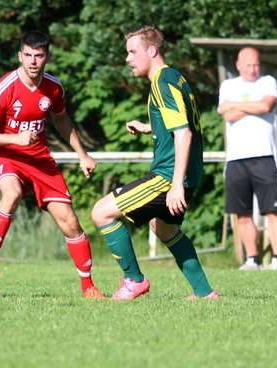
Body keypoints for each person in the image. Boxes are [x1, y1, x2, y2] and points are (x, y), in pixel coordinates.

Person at [0, 30, 104, 299]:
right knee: (12, 193)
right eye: (28, 55)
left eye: (38, 56)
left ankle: (88, 287)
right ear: (20, 56)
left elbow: (62, 120)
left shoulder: (53, 88)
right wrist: (15, 139)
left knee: (70, 222)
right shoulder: (5, 87)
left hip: (39, 157)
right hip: (5, 154)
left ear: (47, 57)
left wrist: (82, 154)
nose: (33, 61)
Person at [91, 25, 218, 301]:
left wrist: (175, 186)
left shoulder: (161, 82)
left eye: (132, 52)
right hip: (187, 174)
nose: (128, 58)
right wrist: (151, 127)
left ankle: (134, 280)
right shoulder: (175, 78)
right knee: (162, 227)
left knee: (101, 212)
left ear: (152, 50)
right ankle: (204, 292)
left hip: (168, 176)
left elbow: (184, 134)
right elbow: (179, 124)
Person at [218, 47, 277, 271]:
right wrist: (253, 106)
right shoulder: (228, 85)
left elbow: (266, 105)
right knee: (242, 212)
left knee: (272, 210)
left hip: (264, 155)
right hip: (236, 158)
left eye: (256, 64)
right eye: (248, 65)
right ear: (238, 65)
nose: (252, 69)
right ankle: (252, 260)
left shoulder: (268, 82)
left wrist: (236, 105)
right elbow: (225, 114)